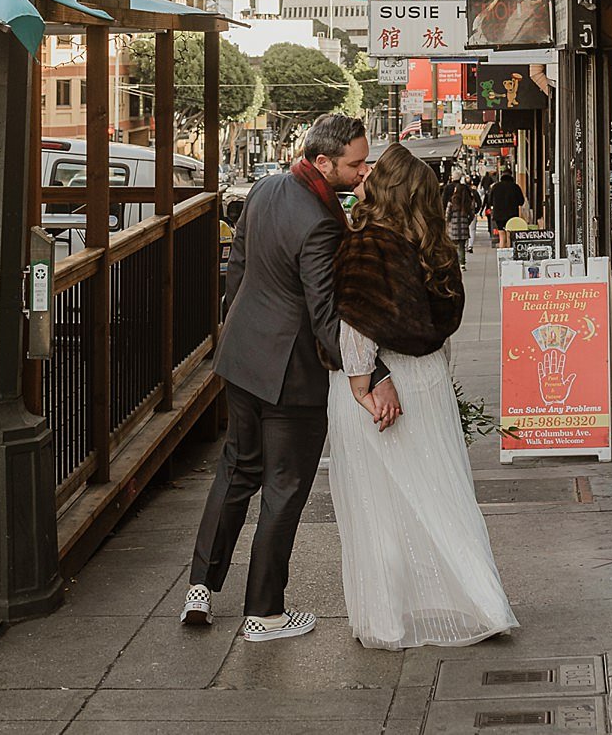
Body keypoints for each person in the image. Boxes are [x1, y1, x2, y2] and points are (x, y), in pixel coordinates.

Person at [182, 111, 373, 642]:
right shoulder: (320, 219)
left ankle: (200, 587)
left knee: (236, 471)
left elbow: (237, 271)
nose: (363, 173)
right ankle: (264, 613)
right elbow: (323, 311)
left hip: (243, 355)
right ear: (322, 161)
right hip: (292, 374)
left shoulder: (264, 190)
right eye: (355, 165)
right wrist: (364, 369)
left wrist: (240, 326)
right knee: (284, 489)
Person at [330, 143, 518, 648]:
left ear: (386, 188)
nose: (364, 174)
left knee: (376, 506)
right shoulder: (436, 247)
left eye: (373, 171)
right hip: (428, 376)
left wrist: (362, 382)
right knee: (444, 495)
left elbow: (355, 325)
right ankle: (483, 602)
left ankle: (386, 619)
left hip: (381, 382)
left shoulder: (366, 242)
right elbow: (444, 324)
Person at [483, 169, 525, 245]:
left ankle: (502, 252)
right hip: (512, 215)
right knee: (509, 234)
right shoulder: (515, 187)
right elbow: (521, 202)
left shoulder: (495, 187)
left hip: (499, 215)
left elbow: (490, 201)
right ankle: (509, 252)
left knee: (501, 235)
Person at [447, 172, 481, 252]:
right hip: (465, 223)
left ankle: (457, 259)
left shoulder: (451, 200)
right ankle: (469, 247)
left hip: (453, 225)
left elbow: (447, 213)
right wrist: (474, 213)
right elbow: (476, 205)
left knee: (454, 245)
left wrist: (448, 221)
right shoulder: (469, 197)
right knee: (471, 232)